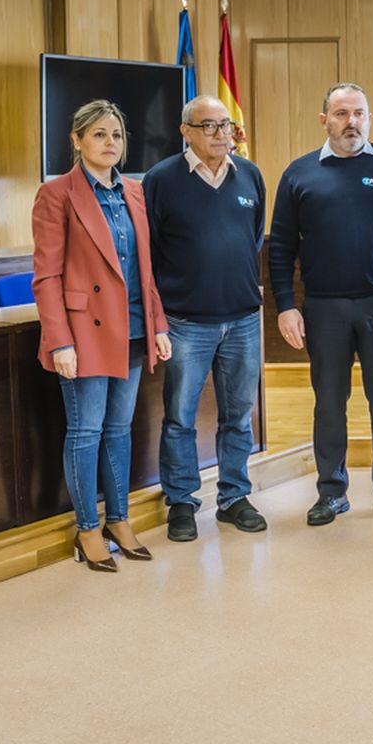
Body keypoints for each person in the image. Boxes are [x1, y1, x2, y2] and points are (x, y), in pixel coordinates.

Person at [270, 83, 373, 528]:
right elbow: (280, 247)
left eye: (359, 113)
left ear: (369, 118)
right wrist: (285, 305)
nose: (350, 121)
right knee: (329, 403)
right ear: (324, 121)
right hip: (324, 308)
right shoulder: (299, 174)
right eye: (340, 113)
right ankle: (331, 492)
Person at [32, 99, 172, 572]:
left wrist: (158, 325)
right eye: (98, 134)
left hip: (132, 329)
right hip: (83, 334)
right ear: (76, 140)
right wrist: (60, 342)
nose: (110, 143)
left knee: (119, 430)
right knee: (86, 432)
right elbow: (46, 277)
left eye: (116, 135)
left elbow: (144, 270)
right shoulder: (56, 195)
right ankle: (87, 529)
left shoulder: (134, 191)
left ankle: (119, 519)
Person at [143, 94, 268, 540]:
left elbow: (252, 240)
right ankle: (181, 501)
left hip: (242, 319)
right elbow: (150, 254)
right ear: (186, 132)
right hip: (185, 322)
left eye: (227, 126)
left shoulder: (250, 175)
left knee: (239, 414)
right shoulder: (160, 180)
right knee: (180, 416)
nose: (222, 134)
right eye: (210, 126)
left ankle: (234, 496)